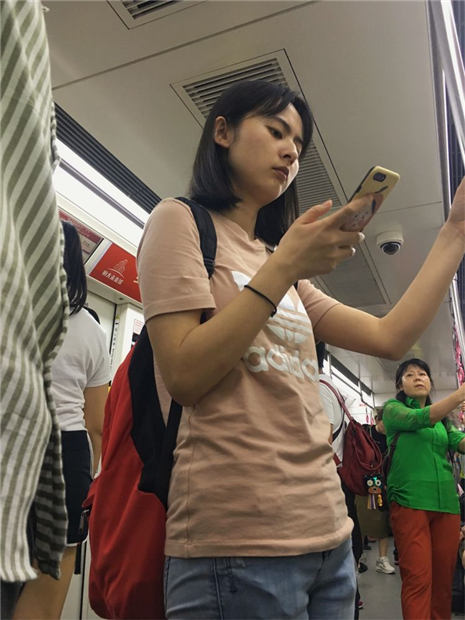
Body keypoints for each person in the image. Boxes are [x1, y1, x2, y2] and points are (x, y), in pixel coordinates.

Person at [137, 79, 465, 618]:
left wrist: (455, 231)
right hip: (236, 543)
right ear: (222, 132)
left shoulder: (276, 259)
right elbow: (185, 375)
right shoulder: (180, 221)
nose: (291, 152)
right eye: (276, 131)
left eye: (298, 143)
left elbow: (389, 337)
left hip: (328, 536)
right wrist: (286, 265)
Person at [1, 2, 69, 617]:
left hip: (31, 426)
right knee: (48, 567)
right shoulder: (86, 328)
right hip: (48, 436)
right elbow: (97, 415)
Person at [13, 222, 111, 620]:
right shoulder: (92, 331)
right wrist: (88, 483)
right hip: (65, 453)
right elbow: (97, 424)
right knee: (47, 582)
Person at [383, 358, 465, 620]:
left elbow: (461, 443)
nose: (418, 377)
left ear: (430, 382)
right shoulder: (393, 410)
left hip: (447, 505)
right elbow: (419, 419)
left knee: (443, 583)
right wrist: (458, 396)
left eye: (423, 374)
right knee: (418, 580)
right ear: (400, 385)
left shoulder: (444, 422)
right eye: (409, 375)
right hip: (410, 501)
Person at [316, 341, 364, 617]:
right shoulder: (329, 386)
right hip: (337, 480)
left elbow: (321, 439)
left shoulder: (319, 387)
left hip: (328, 480)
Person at [355, 409, 396, 575]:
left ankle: (382, 559)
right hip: (363, 483)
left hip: (383, 484)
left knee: (383, 521)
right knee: (360, 520)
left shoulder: (392, 438)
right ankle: (358, 557)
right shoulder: (365, 434)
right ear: (378, 420)